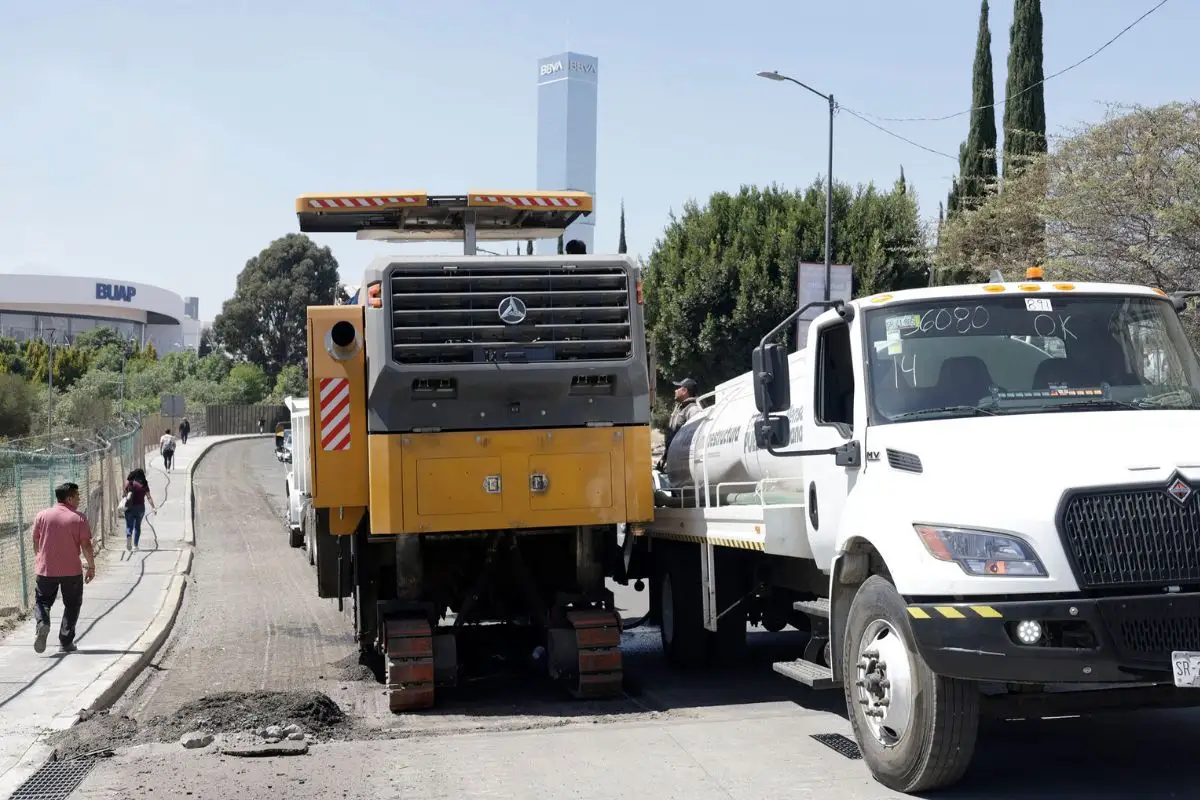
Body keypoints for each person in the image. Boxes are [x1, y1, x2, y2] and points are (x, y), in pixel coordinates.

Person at [31, 482, 95, 654]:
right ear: (69, 498)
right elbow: (86, 545)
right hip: (71, 571)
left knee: (42, 601)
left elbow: (36, 540)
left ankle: (43, 623)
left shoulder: (42, 515)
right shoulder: (78, 518)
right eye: (77, 496)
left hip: (46, 570)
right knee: (72, 604)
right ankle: (66, 642)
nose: (79, 499)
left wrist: (39, 557)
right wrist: (91, 566)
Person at [657, 377, 702, 470]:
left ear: (685, 391)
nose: (675, 390)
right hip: (675, 460)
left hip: (683, 463)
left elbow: (696, 435)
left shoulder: (692, 409)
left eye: (678, 388)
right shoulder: (679, 409)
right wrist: (665, 457)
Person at [123, 468, 158, 551]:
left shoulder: (129, 483)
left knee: (129, 525)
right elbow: (149, 497)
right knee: (137, 526)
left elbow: (124, 494)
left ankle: (129, 535)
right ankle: (135, 545)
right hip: (140, 508)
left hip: (129, 507)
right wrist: (153, 507)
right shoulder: (144, 485)